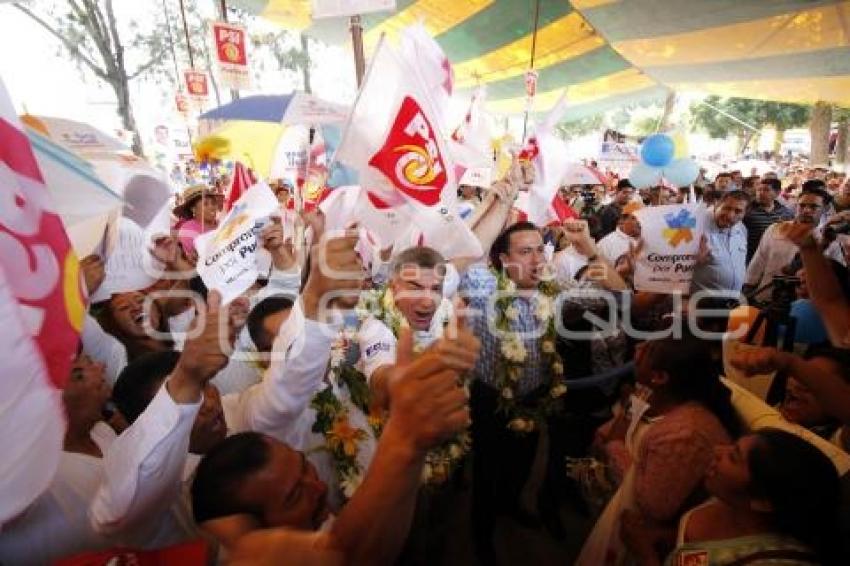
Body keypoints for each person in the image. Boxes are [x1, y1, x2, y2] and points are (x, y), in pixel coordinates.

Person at [191, 320, 481, 565]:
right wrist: (406, 436)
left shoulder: (339, 374)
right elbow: (349, 554)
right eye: (293, 496)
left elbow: (368, 549)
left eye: (306, 468)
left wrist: (395, 383)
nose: (319, 488)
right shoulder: (261, 413)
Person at [577, 333, 739, 565]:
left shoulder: (685, 435)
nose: (639, 347)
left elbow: (652, 505)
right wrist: (614, 432)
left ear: (660, 376)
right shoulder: (648, 393)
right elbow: (615, 430)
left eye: (649, 349)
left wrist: (613, 446)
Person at [621, 429, 841, 566]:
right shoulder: (731, 500)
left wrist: (646, 557)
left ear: (763, 501)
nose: (717, 450)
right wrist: (668, 538)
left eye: (733, 457)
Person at [744, 184, 829, 302]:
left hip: (802, 305)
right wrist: (748, 286)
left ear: (824, 209)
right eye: (802, 206)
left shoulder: (827, 240)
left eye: (813, 207)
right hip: (765, 297)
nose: (806, 210)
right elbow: (759, 260)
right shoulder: (775, 229)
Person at [691, 190, 750, 294]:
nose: (730, 215)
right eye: (727, 208)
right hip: (699, 303)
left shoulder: (741, 228)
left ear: (745, 213)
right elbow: (676, 269)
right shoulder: (695, 225)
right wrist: (693, 261)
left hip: (731, 303)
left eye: (738, 211)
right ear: (717, 204)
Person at [743, 178, 794, 263]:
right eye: (759, 190)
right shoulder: (746, 211)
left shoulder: (786, 213)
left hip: (776, 258)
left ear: (777, 193)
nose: (761, 193)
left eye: (766, 190)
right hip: (751, 258)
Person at [172, 184, 223, 260]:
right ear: (193, 209)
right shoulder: (187, 229)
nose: (212, 207)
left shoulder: (221, 222)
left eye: (213, 203)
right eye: (205, 204)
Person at [596, 201, 642, 265]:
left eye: (643, 218)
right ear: (622, 221)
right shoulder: (606, 244)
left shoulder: (648, 239)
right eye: (635, 218)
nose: (640, 222)